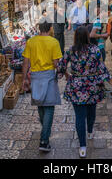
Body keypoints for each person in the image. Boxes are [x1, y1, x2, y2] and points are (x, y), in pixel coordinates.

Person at [58, 27, 112, 158]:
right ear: (87, 37)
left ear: (75, 37)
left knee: (79, 117)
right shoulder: (95, 50)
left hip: (76, 87)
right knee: (91, 111)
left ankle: (83, 147)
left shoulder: (71, 51)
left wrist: (66, 74)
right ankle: (90, 132)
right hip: (93, 87)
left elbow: (61, 67)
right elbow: (102, 69)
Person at [22, 22, 63, 152]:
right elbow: (56, 63)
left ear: (39, 29)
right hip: (49, 76)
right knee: (49, 107)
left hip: (35, 76)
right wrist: (64, 72)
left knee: (41, 105)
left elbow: (25, 62)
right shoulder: (54, 42)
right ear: (50, 28)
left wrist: (24, 79)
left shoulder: (31, 42)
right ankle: (44, 141)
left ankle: (45, 130)